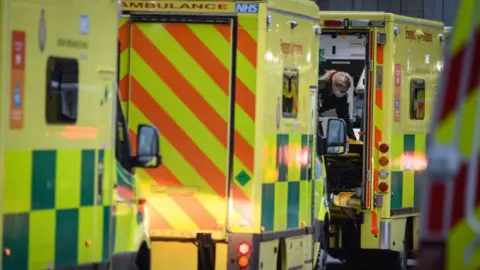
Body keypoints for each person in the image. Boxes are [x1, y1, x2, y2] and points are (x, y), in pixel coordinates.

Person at [318, 70, 357, 140]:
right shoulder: (320, 87)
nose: (342, 93)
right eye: (341, 91)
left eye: (344, 91)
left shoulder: (343, 98)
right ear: (334, 85)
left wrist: (353, 139)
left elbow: (345, 119)